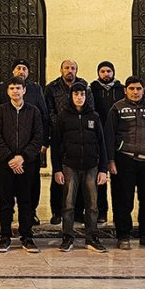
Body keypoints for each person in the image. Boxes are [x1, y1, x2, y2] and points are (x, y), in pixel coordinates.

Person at [105, 76, 145, 250]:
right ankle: (123, 235)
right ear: (125, 90)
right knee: (124, 200)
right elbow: (109, 135)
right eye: (131, 89)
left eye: (138, 88)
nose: (135, 92)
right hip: (125, 159)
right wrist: (110, 160)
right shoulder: (117, 109)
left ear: (143, 90)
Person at [52, 82, 109, 253]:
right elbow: (56, 144)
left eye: (82, 94)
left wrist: (103, 169)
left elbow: (102, 143)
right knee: (68, 204)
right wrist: (57, 169)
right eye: (76, 94)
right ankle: (68, 238)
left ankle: (92, 238)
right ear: (71, 96)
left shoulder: (94, 117)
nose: (79, 97)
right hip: (69, 166)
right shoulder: (63, 117)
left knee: (92, 205)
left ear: (86, 96)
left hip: (91, 166)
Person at [0, 77, 43, 253]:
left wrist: (22, 157)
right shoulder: (0, 110)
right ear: (7, 91)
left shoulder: (33, 111)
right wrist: (11, 159)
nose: (15, 91)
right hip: (5, 165)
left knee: (26, 202)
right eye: (12, 88)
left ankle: (27, 237)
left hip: (27, 164)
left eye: (18, 88)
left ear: (24, 90)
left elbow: (37, 138)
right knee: (5, 202)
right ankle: (5, 237)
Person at [44, 60, 94, 224]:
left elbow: (90, 107)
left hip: (80, 137)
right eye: (66, 68)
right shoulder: (52, 87)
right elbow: (48, 111)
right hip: (60, 136)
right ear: (61, 69)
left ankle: (78, 212)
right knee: (59, 175)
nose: (69, 71)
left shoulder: (84, 85)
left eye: (73, 68)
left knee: (79, 176)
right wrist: (62, 125)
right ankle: (57, 212)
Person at [12, 59, 50, 225]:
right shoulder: (4, 88)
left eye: (24, 68)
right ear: (13, 71)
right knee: (10, 181)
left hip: (32, 145)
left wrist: (44, 141)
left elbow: (44, 115)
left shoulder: (36, 89)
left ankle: (31, 212)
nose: (21, 71)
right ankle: (10, 211)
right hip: (11, 143)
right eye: (18, 68)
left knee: (32, 181)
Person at [89, 61, 122, 223]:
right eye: (103, 71)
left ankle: (118, 214)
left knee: (118, 180)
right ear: (98, 73)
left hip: (117, 139)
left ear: (113, 72)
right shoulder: (92, 89)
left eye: (109, 71)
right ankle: (102, 212)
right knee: (100, 178)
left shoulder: (121, 89)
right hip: (98, 138)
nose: (106, 74)